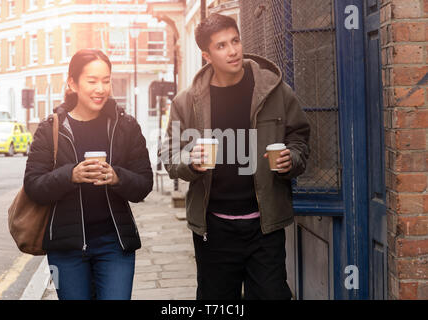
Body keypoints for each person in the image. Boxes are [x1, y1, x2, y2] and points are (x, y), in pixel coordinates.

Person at [159, 14, 310, 300]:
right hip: (213, 228)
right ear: (206, 55)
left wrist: (293, 158)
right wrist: (190, 161)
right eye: (221, 46)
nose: (232, 51)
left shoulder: (274, 90)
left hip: (265, 226)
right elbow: (168, 153)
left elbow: (299, 137)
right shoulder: (186, 101)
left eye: (235, 41)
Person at [24, 49, 153, 300]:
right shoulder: (50, 129)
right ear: (72, 83)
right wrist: (70, 175)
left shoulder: (125, 126)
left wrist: (117, 177)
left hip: (115, 243)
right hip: (65, 248)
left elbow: (144, 183)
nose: (101, 89)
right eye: (92, 81)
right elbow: (33, 186)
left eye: (106, 81)